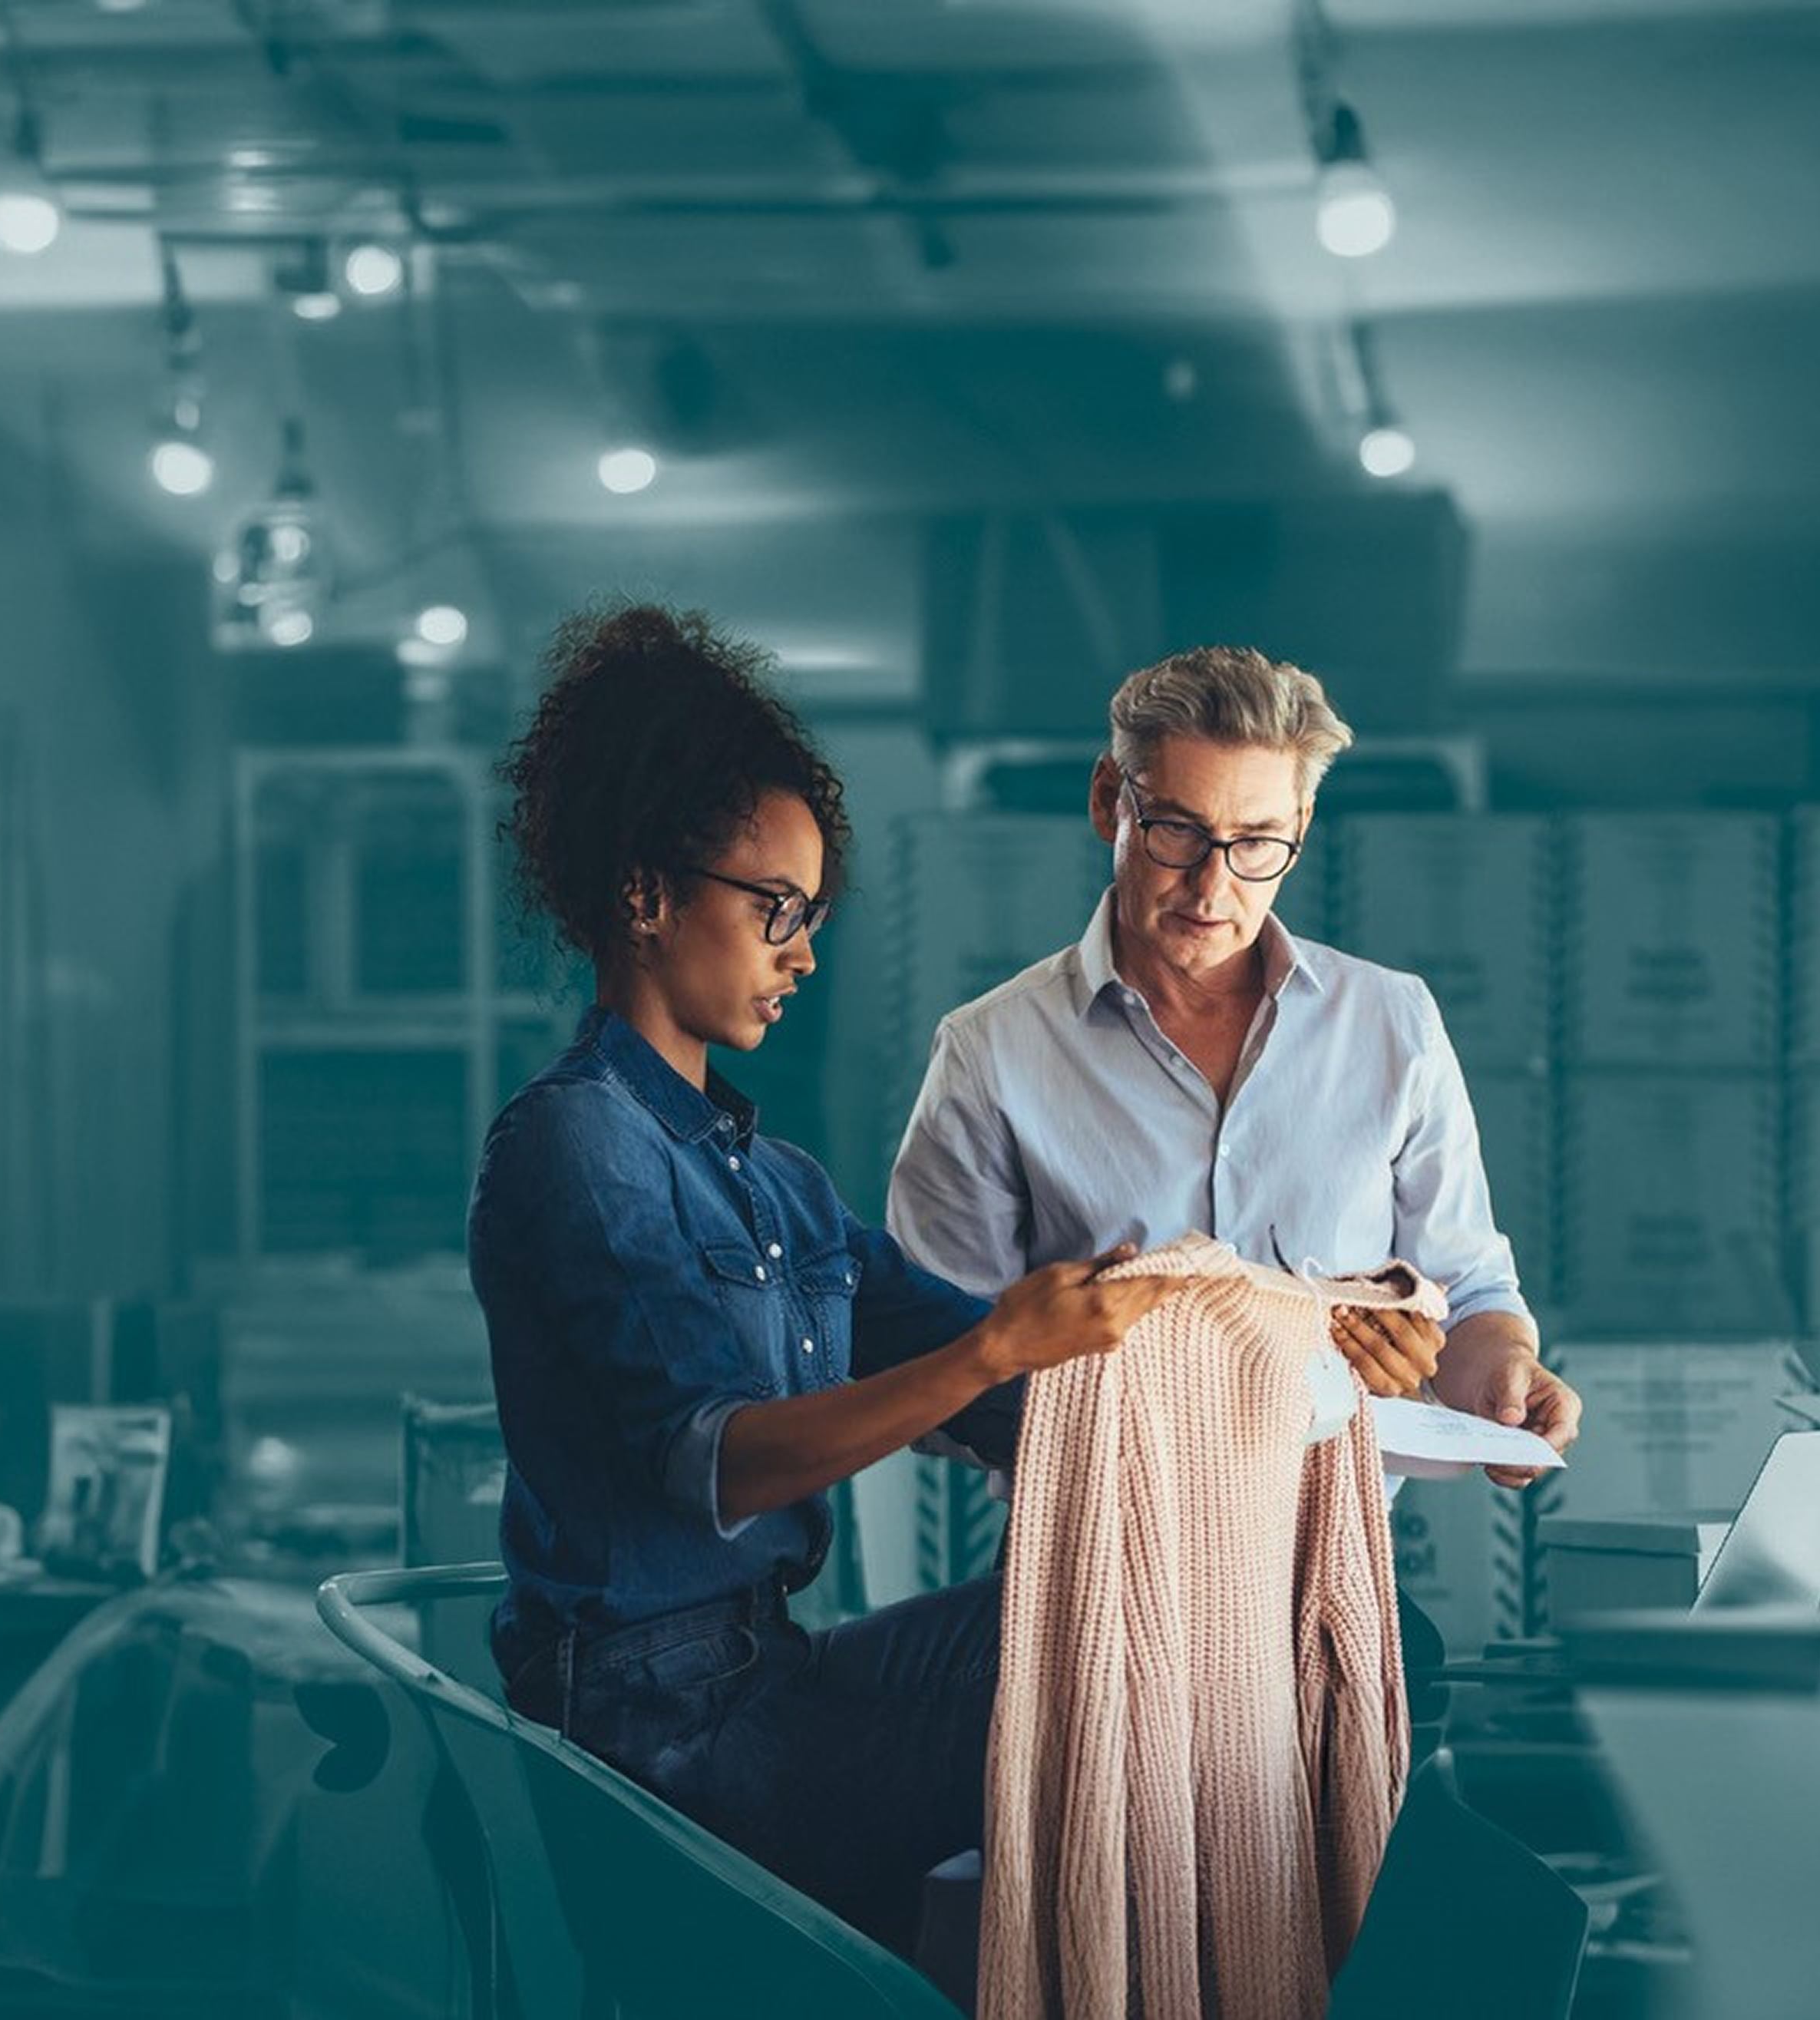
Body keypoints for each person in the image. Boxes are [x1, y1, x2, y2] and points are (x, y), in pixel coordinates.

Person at [466, 603, 1177, 1951]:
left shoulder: (773, 1179)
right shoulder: (577, 1146)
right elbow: (723, 1467)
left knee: (1160, 1612)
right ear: (646, 893)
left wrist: (1215, 1363)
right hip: (663, 1748)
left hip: (766, 1676)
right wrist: (993, 1353)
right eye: (776, 909)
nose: (803, 952)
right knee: (1114, 1674)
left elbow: (998, 1393)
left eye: (814, 918)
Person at [887, 643, 1582, 1492]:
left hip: (1331, 1560)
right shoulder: (989, 1054)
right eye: (1178, 831)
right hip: (1099, 1561)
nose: (1212, 888)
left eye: (1257, 843)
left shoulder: (1394, 1023)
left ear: (1301, 828)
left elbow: (1469, 1293)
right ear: (1112, 802)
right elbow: (932, 1375)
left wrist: (1501, 1382)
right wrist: (1259, 1383)